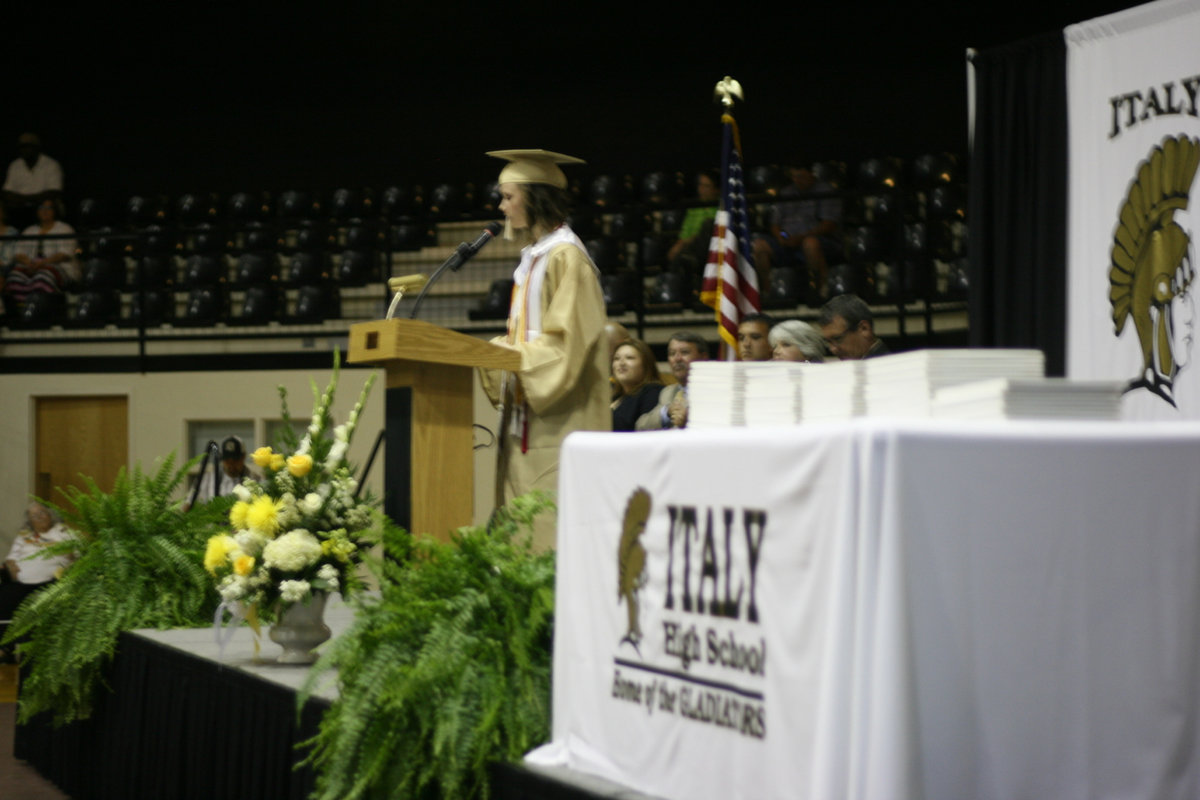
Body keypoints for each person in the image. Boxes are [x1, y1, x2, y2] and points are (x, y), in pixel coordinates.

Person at [479, 149, 610, 550]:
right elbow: (525, 338)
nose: (501, 206)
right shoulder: (536, 257)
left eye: (509, 196)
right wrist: (497, 353)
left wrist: (506, 358)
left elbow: (568, 342)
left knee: (549, 522)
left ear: (536, 197)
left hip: (559, 415)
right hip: (528, 416)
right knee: (522, 523)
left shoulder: (567, 257)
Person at [751, 161, 842, 295]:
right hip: (788, 241)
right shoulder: (787, 192)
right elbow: (775, 224)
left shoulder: (826, 191)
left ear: (811, 173)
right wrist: (781, 236)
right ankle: (768, 291)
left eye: (800, 176)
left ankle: (821, 289)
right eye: (793, 176)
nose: (796, 180)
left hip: (818, 240)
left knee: (810, 244)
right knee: (758, 245)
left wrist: (801, 238)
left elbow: (829, 224)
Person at [1, 502, 75, 660]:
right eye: (34, 515)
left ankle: (16, 649)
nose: (39, 517)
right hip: (21, 583)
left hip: (52, 583)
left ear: (50, 515)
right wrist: (12, 568)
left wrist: (70, 563)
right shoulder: (24, 535)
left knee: (36, 607)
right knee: (4, 599)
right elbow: (11, 559)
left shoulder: (64, 532)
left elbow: (78, 556)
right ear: (29, 520)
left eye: (42, 513)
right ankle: (4, 647)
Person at [4, 198, 78, 308]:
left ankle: (42, 307)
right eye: (41, 208)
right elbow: (18, 253)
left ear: (55, 211)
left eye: (48, 208)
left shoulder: (64, 228)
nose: (44, 211)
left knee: (43, 276)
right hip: (31, 266)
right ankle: (23, 309)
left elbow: (65, 254)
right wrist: (29, 263)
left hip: (58, 267)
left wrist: (42, 263)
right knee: (14, 276)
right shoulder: (29, 230)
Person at [636, 331, 709, 430]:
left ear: (703, 358)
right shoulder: (667, 392)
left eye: (684, 352)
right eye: (672, 353)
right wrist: (666, 413)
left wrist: (690, 420)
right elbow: (641, 426)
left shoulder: (711, 390)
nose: (677, 358)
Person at [3, 133, 63, 228]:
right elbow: (7, 193)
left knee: (47, 205)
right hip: (20, 210)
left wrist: (26, 199)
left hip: (43, 207)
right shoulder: (15, 165)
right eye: (22, 147)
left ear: (37, 148)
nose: (25, 150)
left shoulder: (51, 164)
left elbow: (53, 192)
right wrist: (29, 200)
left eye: (28, 146)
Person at [666, 169, 719, 274]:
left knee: (708, 225)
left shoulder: (721, 209)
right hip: (690, 250)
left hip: (712, 251)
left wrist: (687, 242)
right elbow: (684, 235)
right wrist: (677, 247)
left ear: (716, 190)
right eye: (700, 185)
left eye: (706, 186)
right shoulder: (694, 209)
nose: (701, 190)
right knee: (679, 257)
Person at [611, 338, 663, 432]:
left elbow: (646, 430)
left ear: (645, 364)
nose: (621, 363)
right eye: (617, 358)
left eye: (629, 358)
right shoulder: (614, 396)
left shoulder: (652, 392)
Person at [191, 436, 259, 505]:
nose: (231, 465)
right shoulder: (207, 480)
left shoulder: (255, 480)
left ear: (243, 457)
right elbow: (188, 506)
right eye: (227, 460)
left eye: (235, 460)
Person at [818, 293, 889, 360]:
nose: (833, 349)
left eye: (838, 339)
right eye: (828, 342)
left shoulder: (883, 369)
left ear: (864, 329)